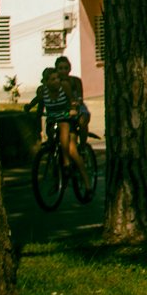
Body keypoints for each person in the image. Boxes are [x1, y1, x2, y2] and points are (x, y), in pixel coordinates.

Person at [27, 66, 91, 194]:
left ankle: (86, 183)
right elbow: (37, 101)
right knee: (53, 145)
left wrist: (73, 108)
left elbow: (72, 100)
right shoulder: (43, 91)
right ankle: (57, 178)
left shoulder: (64, 86)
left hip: (67, 119)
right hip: (53, 119)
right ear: (46, 82)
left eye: (57, 78)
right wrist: (28, 107)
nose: (56, 81)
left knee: (72, 149)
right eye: (52, 79)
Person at [55, 56, 90, 144]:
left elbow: (80, 97)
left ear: (70, 69)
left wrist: (76, 103)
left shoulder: (76, 80)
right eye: (60, 68)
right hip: (62, 109)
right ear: (56, 69)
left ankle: (83, 145)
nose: (63, 71)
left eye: (66, 68)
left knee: (82, 122)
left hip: (77, 108)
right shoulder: (55, 82)